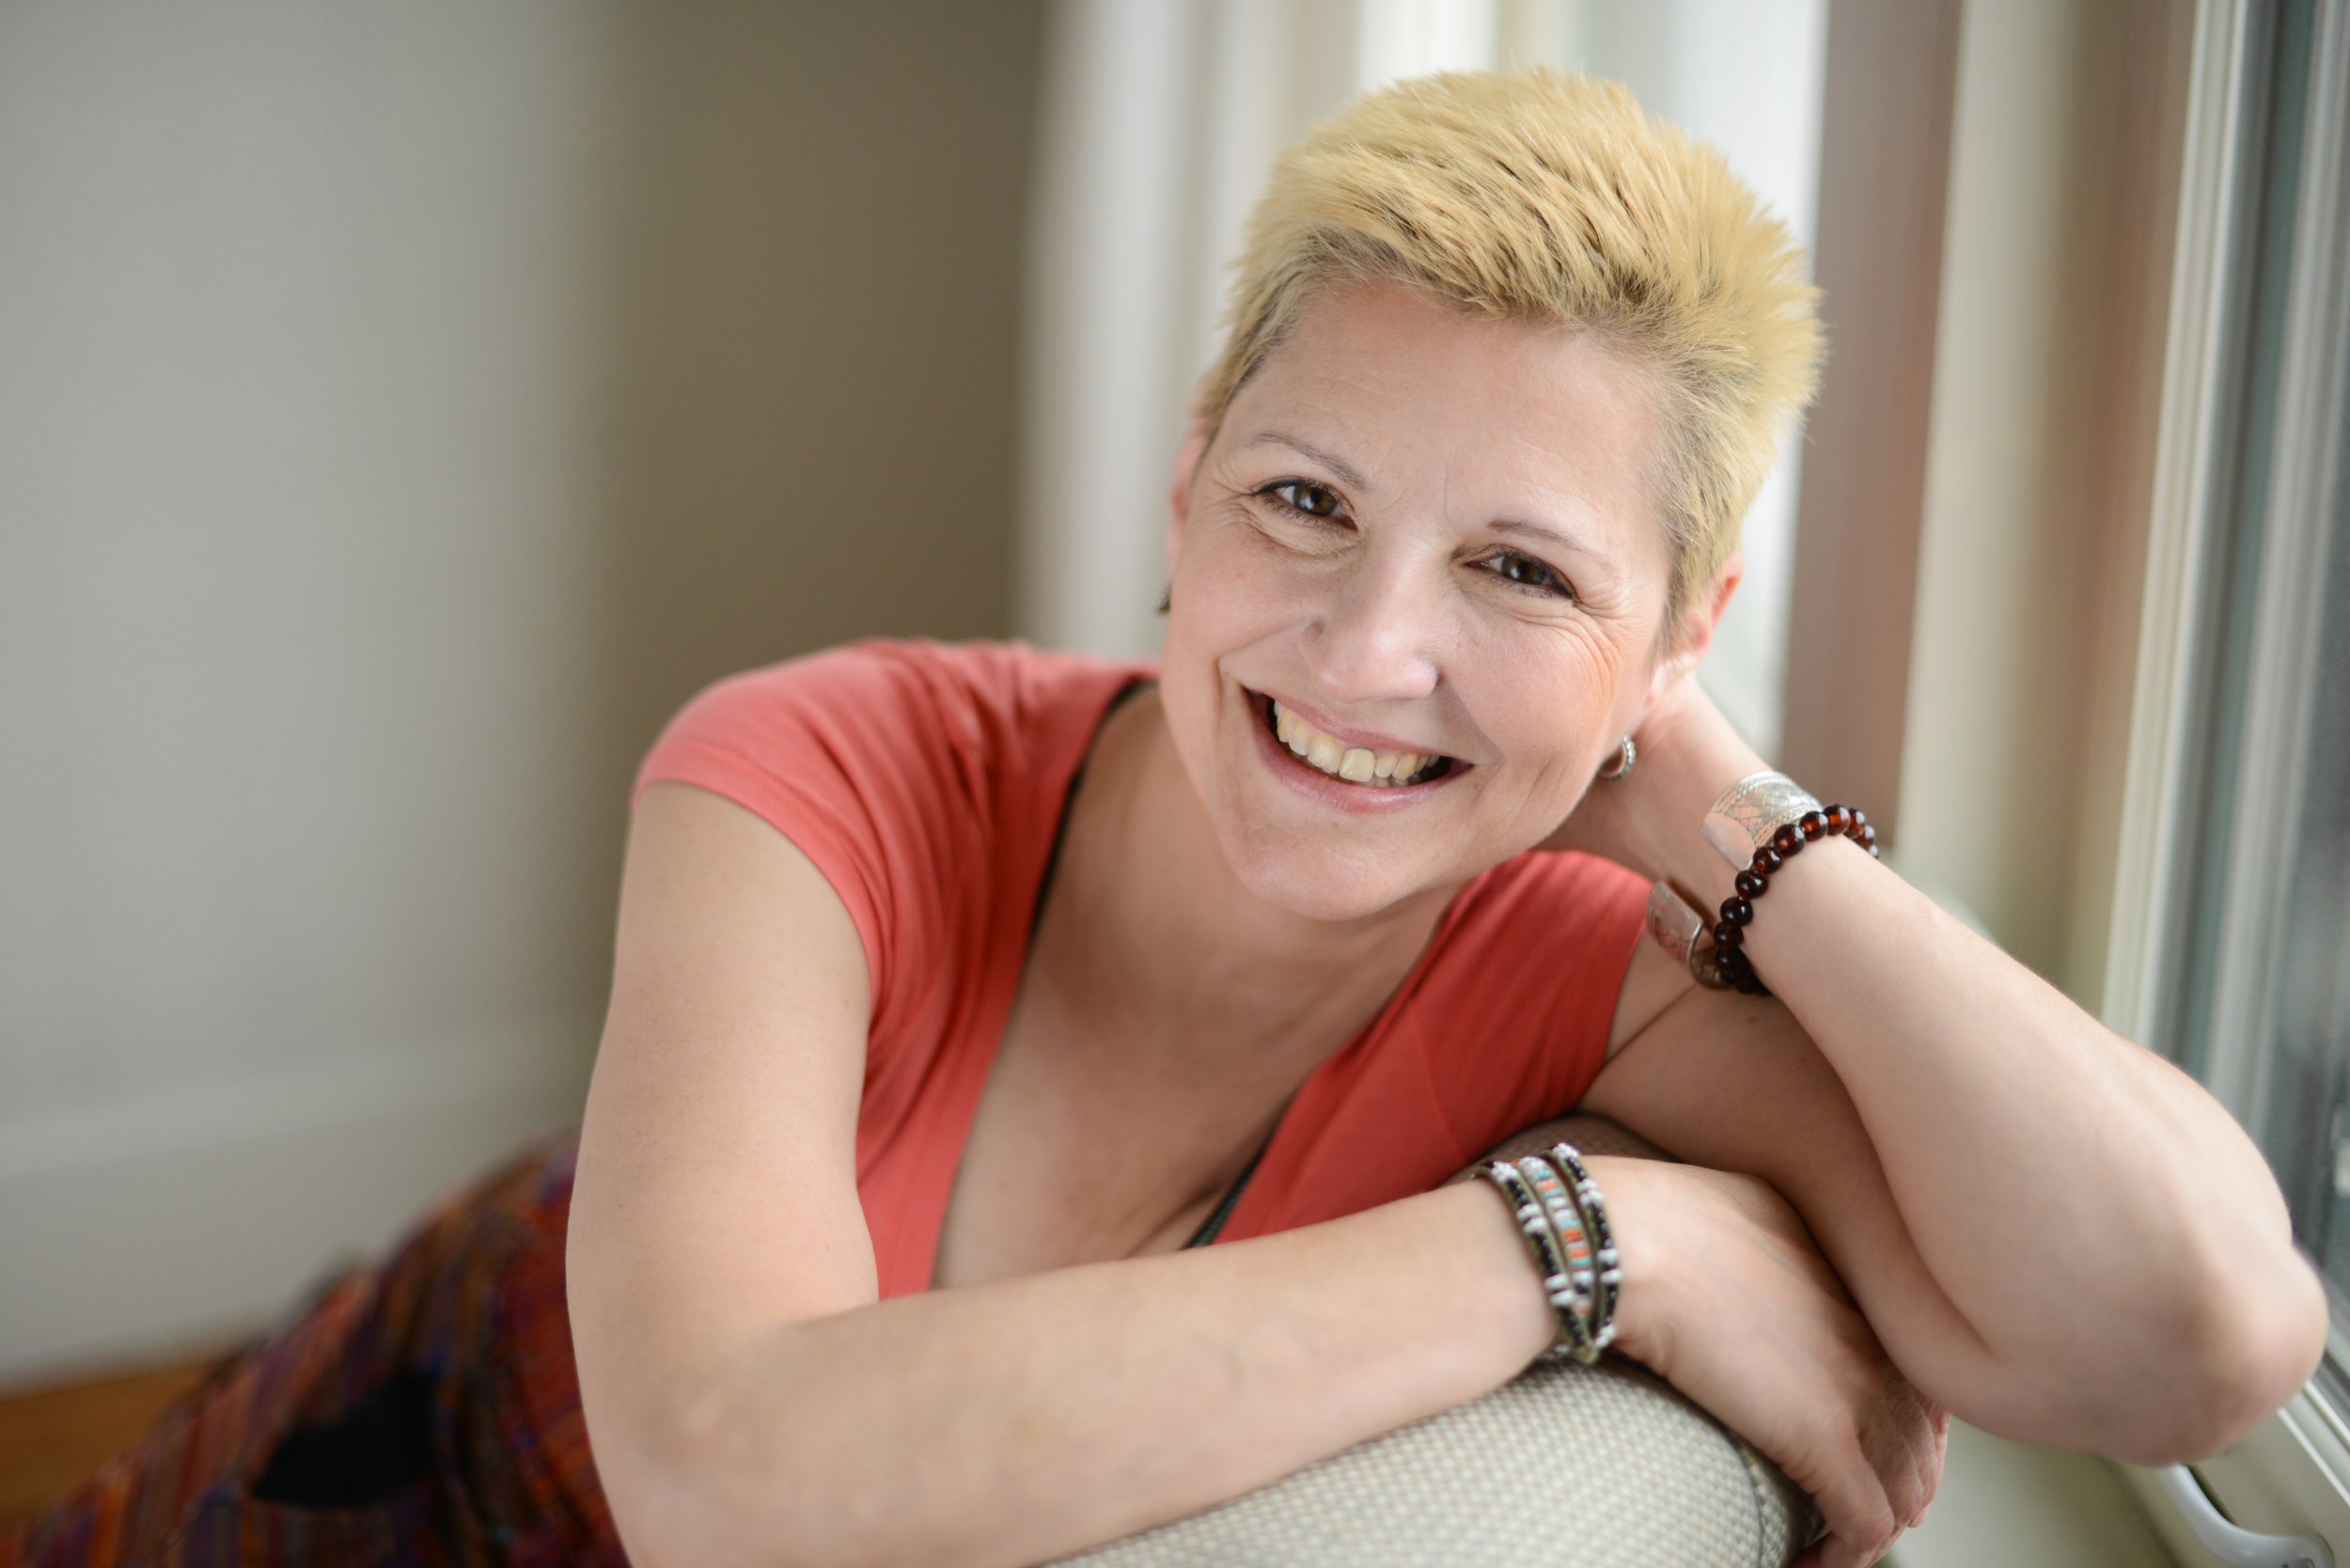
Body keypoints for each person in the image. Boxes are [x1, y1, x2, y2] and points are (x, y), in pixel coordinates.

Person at [4, 68, 2325, 1568]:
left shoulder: (1598, 985)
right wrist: (1596, 1248)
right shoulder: (819, 765)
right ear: (1187, 473)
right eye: (1302, 500)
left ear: (1682, 623)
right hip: (394, 1452)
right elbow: (721, 1471)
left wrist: (1726, 804)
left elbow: (2194, 1334)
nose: (1361, 649)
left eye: (1519, 570)